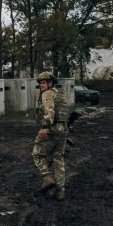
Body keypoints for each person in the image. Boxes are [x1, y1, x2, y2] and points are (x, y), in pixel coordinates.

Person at [32, 71, 69, 200]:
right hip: (62, 129)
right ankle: (60, 191)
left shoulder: (47, 94)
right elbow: (63, 114)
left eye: (43, 83)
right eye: (40, 83)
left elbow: (50, 112)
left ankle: (47, 177)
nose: (41, 85)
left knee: (37, 153)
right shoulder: (59, 95)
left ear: (50, 83)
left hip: (51, 129)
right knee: (58, 158)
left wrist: (44, 127)